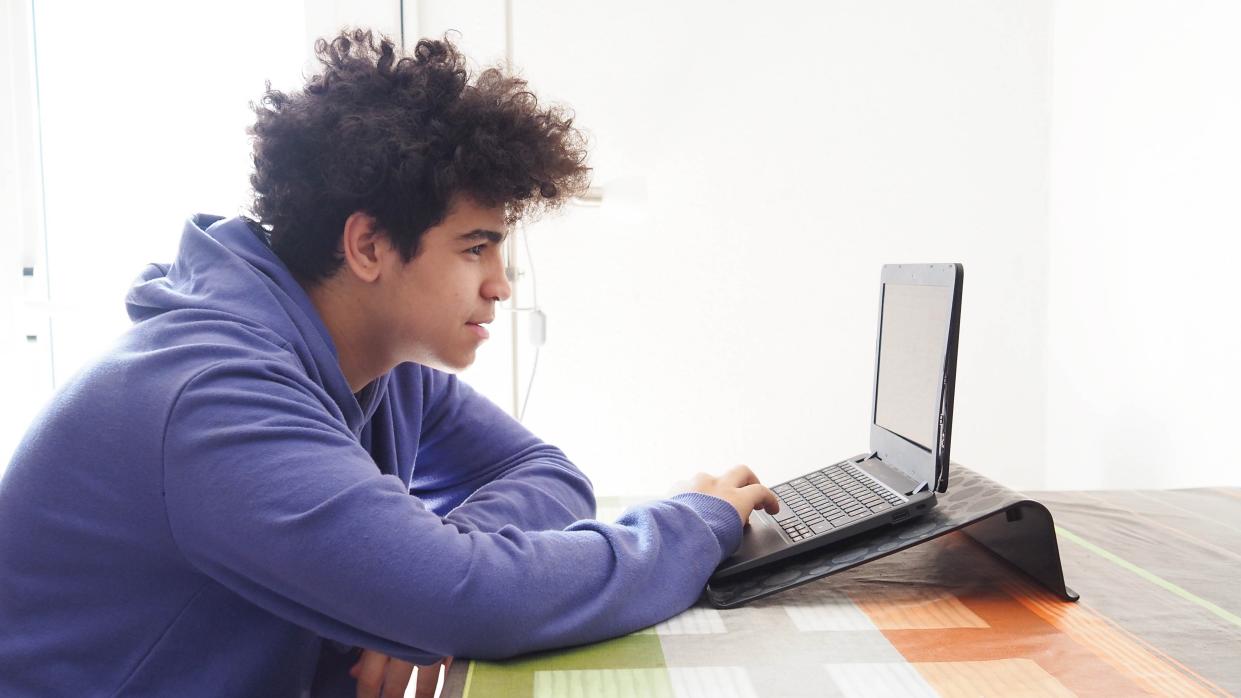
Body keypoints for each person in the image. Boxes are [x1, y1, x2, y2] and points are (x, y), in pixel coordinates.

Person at [0, 29, 777, 697]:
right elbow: (472, 598)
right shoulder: (211, 396)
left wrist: (414, 585)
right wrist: (693, 522)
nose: (500, 285)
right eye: (475, 248)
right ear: (368, 246)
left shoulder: (377, 364)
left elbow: (545, 476)